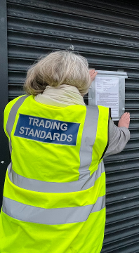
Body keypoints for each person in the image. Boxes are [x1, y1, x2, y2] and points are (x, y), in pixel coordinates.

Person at [0, 50, 130, 253]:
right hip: (75, 241)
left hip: (19, 237)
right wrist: (123, 128)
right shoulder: (98, 123)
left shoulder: (14, 109)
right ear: (81, 82)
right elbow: (117, 142)